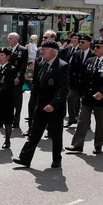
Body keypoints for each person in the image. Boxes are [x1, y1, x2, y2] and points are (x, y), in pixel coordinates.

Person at [13, 40, 69, 168]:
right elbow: (37, 84)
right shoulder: (41, 63)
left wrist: (53, 104)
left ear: (52, 51)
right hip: (41, 104)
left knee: (56, 135)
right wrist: (34, 101)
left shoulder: (62, 66)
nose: (41, 51)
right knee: (34, 133)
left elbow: (63, 88)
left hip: (55, 107)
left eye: (44, 49)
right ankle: (25, 158)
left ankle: (56, 159)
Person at [65, 39, 103, 155]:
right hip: (88, 97)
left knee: (100, 124)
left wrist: (102, 92)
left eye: (99, 47)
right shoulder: (90, 61)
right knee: (82, 121)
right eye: (95, 46)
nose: (96, 49)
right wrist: (82, 92)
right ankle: (77, 145)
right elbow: (85, 78)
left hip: (101, 98)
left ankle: (98, 145)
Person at [65, 34, 95, 127]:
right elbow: (71, 68)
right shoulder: (76, 53)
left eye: (83, 42)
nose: (80, 44)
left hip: (87, 84)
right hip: (75, 83)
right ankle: (72, 118)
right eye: (80, 42)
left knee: (86, 103)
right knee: (70, 98)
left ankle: (86, 122)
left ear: (89, 43)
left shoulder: (93, 54)